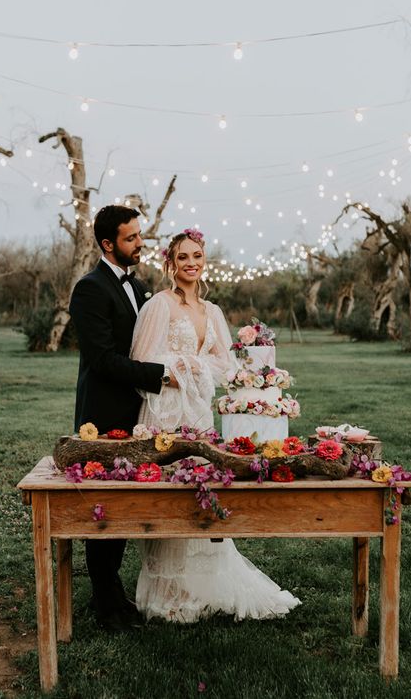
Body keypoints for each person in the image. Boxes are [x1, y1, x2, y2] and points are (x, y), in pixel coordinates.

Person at [130, 229, 301, 622]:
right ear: (169, 263)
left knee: (201, 492)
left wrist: (212, 370)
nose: (191, 263)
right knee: (169, 493)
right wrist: (180, 367)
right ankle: (167, 591)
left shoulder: (214, 312)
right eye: (183, 257)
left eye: (197, 257)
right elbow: (141, 362)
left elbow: (225, 366)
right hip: (166, 412)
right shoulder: (158, 305)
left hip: (200, 412)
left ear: (204, 261)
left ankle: (202, 587)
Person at [69, 205, 180, 632]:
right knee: (105, 506)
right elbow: (101, 359)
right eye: (131, 238)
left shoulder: (141, 287)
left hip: (137, 412)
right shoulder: (90, 289)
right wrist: (160, 376)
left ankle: (114, 593)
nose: (140, 243)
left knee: (127, 503)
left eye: (140, 235)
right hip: (104, 412)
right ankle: (104, 602)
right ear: (107, 244)